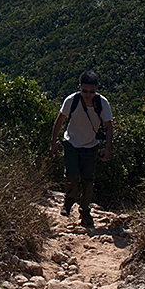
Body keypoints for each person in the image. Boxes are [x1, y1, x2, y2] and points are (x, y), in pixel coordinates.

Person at [49, 70, 113, 228]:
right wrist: (53, 142)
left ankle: (85, 211)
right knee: (71, 174)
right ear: (79, 87)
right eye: (85, 91)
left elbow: (109, 127)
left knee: (88, 180)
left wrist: (107, 148)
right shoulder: (72, 100)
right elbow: (59, 121)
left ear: (96, 89)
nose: (88, 94)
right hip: (71, 143)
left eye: (92, 91)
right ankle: (69, 200)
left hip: (91, 146)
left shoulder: (102, 103)